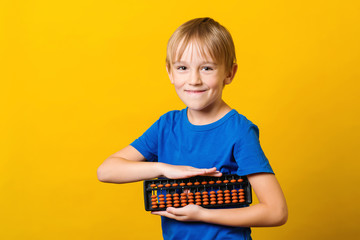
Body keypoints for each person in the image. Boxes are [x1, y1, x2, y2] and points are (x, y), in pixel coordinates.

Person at [97, 17, 288, 240]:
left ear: (229, 73)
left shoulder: (239, 131)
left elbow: (276, 212)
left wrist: (203, 214)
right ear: (170, 72)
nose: (194, 79)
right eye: (183, 68)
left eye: (207, 68)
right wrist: (164, 168)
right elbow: (107, 171)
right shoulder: (166, 126)